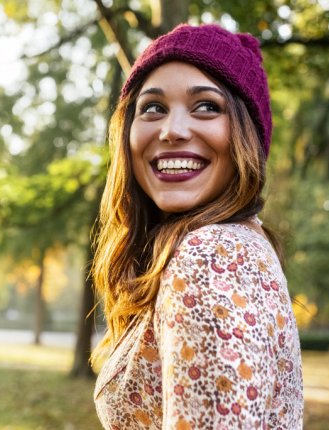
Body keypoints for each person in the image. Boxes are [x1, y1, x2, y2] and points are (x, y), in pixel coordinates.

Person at [91, 24, 303, 429]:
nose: (172, 130)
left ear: (247, 136)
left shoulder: (211, 257)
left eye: (206, 106)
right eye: (152, 107)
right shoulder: (241, 248)